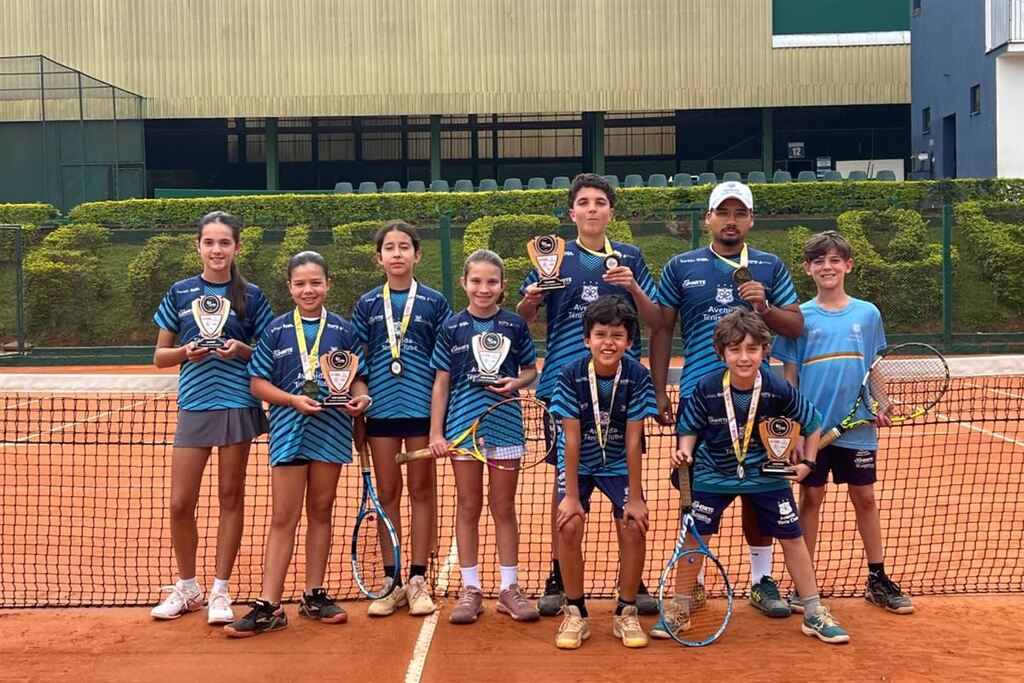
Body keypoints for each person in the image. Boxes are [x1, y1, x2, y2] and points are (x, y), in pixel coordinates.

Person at [649, 180, 803, 619]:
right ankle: (692, 586)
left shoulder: (770, 266)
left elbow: (795, 327)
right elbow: (661, 329)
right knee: (695, 494)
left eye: (739, 213)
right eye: (723, 212)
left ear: (751, 220)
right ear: (708, 219)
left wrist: (766, 307)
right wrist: (661, 390)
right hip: (701, 402)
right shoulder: (681, 265)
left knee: (763, 492)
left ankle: (761, 580)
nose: (731, 221)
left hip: (761, 400)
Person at [657, 309, 850, 644]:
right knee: (693, 537)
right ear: (721, 353)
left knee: (793, 538)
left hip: (765, 474)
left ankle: (814, 611)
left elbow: (813, 422)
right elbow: (688, 429)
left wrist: (808, 462)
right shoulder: (706, 388)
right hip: (712, 474)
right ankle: (680, 606)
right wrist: (684, 451)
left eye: (751, 349)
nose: (744, 357)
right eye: (735, 350)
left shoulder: (777, 387)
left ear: (764, 350)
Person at [517, 172, 661, 616]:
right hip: (565, 389)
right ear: (572, 211)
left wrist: (632, 285)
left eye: (600, 202)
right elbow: (523, 317)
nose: (592, 209)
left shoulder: (630, 257)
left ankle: (630, 587)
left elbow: (655, 320)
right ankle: (558, 577)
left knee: (625, 480)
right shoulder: (553, 256)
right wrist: (532, 296)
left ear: (611, 212)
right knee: (567, 484)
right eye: (584, 202)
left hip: (622, 389)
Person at [224, 251, 371, 637]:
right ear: (290, 287)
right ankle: (269, 605)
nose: (309, 290)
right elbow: (257, 384)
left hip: (332, 430)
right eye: (301, 283)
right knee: (283, 517)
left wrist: (361, 398)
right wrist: (291, 400)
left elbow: (357, 378)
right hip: (289, 431)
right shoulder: (274, 331)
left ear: (328, 285)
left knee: (321, 512)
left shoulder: (344, 330)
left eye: (316, 282)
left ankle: (313, 595)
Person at [772, 230, 913, 614]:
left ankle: (877, 577)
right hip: (813, 432)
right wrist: (796, 431)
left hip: (858, 428)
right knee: (811, 498)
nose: (827, 267)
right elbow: (790, 378)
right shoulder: (798, 317)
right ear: (807, 269)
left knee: (865, 498)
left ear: (848, 265)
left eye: (835, 260)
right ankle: (806, 585)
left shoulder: (868, 314)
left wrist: (882, 402)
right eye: (819, 261)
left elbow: (873, 366)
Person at [150, 211, 273, 624]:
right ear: (198, 246)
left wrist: (241, 350)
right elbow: (159, 357)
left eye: (224, 243)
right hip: (194, 404)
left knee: (230, 497)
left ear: (236, 247)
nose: (217, 250)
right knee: (180, 503)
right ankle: (187, 588)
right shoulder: (180, 292)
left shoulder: (252, 296)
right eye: (209, 242)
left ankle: (221, 590)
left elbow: (273, 356)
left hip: (237, 402)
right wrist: (187, 352)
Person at [430, 249, 539, 624]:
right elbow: (441, 384)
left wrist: (517, 382)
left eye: (492, 281)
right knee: (468, 505)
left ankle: (510, 587)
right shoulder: (451, 328)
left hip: (505, 424)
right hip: (462, 429)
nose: (483, 288)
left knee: (504, 506)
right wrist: (436, 432)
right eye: (476, 281)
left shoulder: (514, 325)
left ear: (503, 286)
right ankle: (470, 589)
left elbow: (530, 371)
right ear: (464, 283)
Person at [352, 221, 451, 617]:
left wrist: (437, 425)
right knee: (387, 495)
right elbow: (354, 360)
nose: (397, 253)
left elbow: (445, 363)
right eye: (389, 248)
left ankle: (417, 578)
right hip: (380, 412)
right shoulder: (367, 304)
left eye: (404, 247)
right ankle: (391, 580)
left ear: (417, 255)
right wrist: (359, 402)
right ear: (379, 258)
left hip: (421, 412)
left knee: (422, 493)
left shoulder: (434, 302)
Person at [551, 295, 658, 650]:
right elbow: (570, 437)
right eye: (600, 334)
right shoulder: (570, 374)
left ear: (629, 342)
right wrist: (569, 495)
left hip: (617, 464)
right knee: (568, 524)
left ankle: (626, 611)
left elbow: (633, 440)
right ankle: (576, 611)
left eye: (617, 335)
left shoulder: (638, 376)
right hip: (578, 464)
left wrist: (637, 497)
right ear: (587, 339)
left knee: (634, 525)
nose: (608, 342)